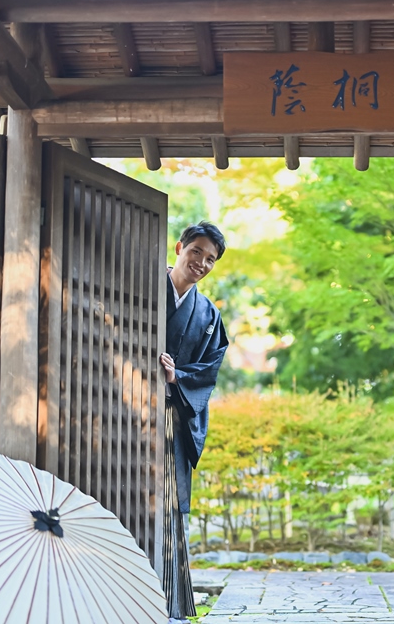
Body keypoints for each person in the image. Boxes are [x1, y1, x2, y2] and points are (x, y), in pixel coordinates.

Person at [159, 221, 229, 622]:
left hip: (173, 417)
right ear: (179, 248)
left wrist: (177, 376)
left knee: (170, 506)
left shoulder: (208, 314)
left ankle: (169, 603)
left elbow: (209, 369)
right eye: (196, 252)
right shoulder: (143, 289)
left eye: (210, 259)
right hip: (127, 411)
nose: (201, 262)